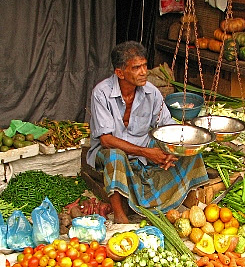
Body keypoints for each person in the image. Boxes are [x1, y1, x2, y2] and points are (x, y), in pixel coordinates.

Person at [87, 41, 209, 223]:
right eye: (136, 68)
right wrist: (146, 152)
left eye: (144, 65)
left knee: (189, 152)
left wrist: (171, 150)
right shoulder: (101, 93)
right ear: (120, 72)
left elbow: (166, 126)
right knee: (115, 156)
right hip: (108, 151)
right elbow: (106, 140)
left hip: (143, 145)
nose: (144, 72)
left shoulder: (151, 92)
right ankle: (120, 214)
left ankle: (182, 200)